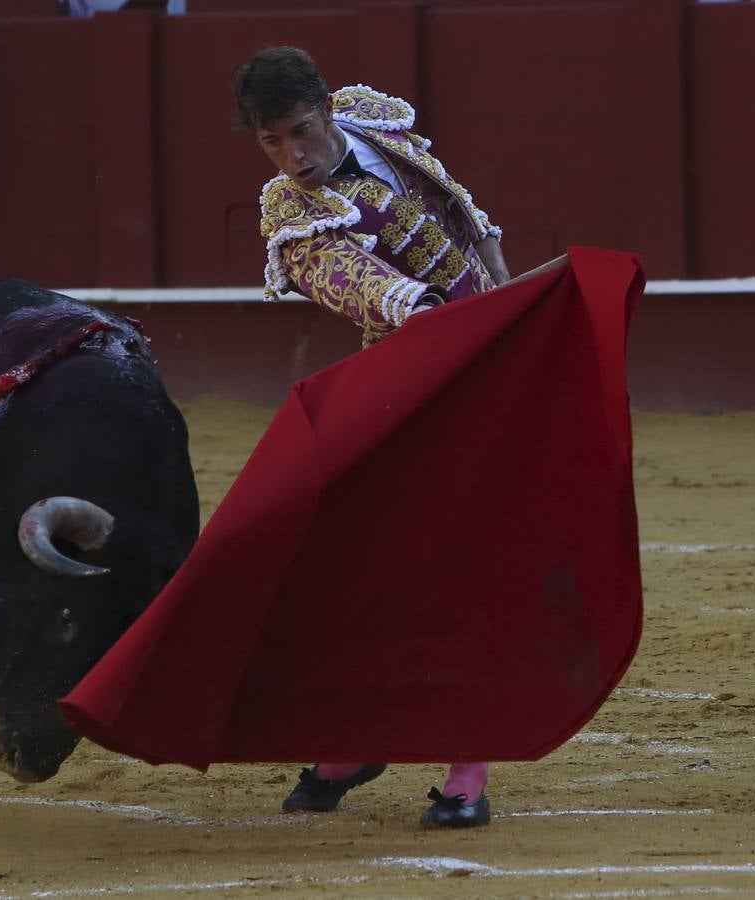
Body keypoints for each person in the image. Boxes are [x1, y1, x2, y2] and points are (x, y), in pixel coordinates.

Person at [232, 46, 511, 828]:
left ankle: (466, 765)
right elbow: (352, 281)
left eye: (299, 132)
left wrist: (503, 291)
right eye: (270, 143)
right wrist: (424, 313)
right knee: (366, 569)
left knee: (457, 567)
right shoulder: (290, 212)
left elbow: (461, 212)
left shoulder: (373, 122)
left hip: (488, 367)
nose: (292, 157)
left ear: (326, 109)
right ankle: (357, 739)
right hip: (408, 386)